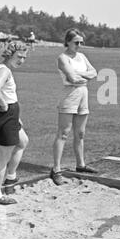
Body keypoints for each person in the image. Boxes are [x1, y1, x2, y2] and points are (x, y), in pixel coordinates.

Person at [50, 29, 98, 185]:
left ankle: (80, 165)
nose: (79, 45)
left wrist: (80, 75)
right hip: (70, 95)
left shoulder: (82, 57)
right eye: (76, 42)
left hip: (83, 94)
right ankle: (56, 169)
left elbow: (94, 73)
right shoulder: (62, 58)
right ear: (68, 42)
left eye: (81, 42)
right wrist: (85, 75)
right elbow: (71, 78)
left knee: (81, 133)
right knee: (63, 132)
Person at [0, 42, 29, 204]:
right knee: (4, 156)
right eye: (19, 57)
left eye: (24, 57)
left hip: (8, 115)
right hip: (4, 115)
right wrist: (4, 106)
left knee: (23, 141)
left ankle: (11, 178)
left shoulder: (0, 66)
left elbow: (2, 92)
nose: (22, 60)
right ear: (10, 54)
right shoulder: (4, 70)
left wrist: (15, 116)